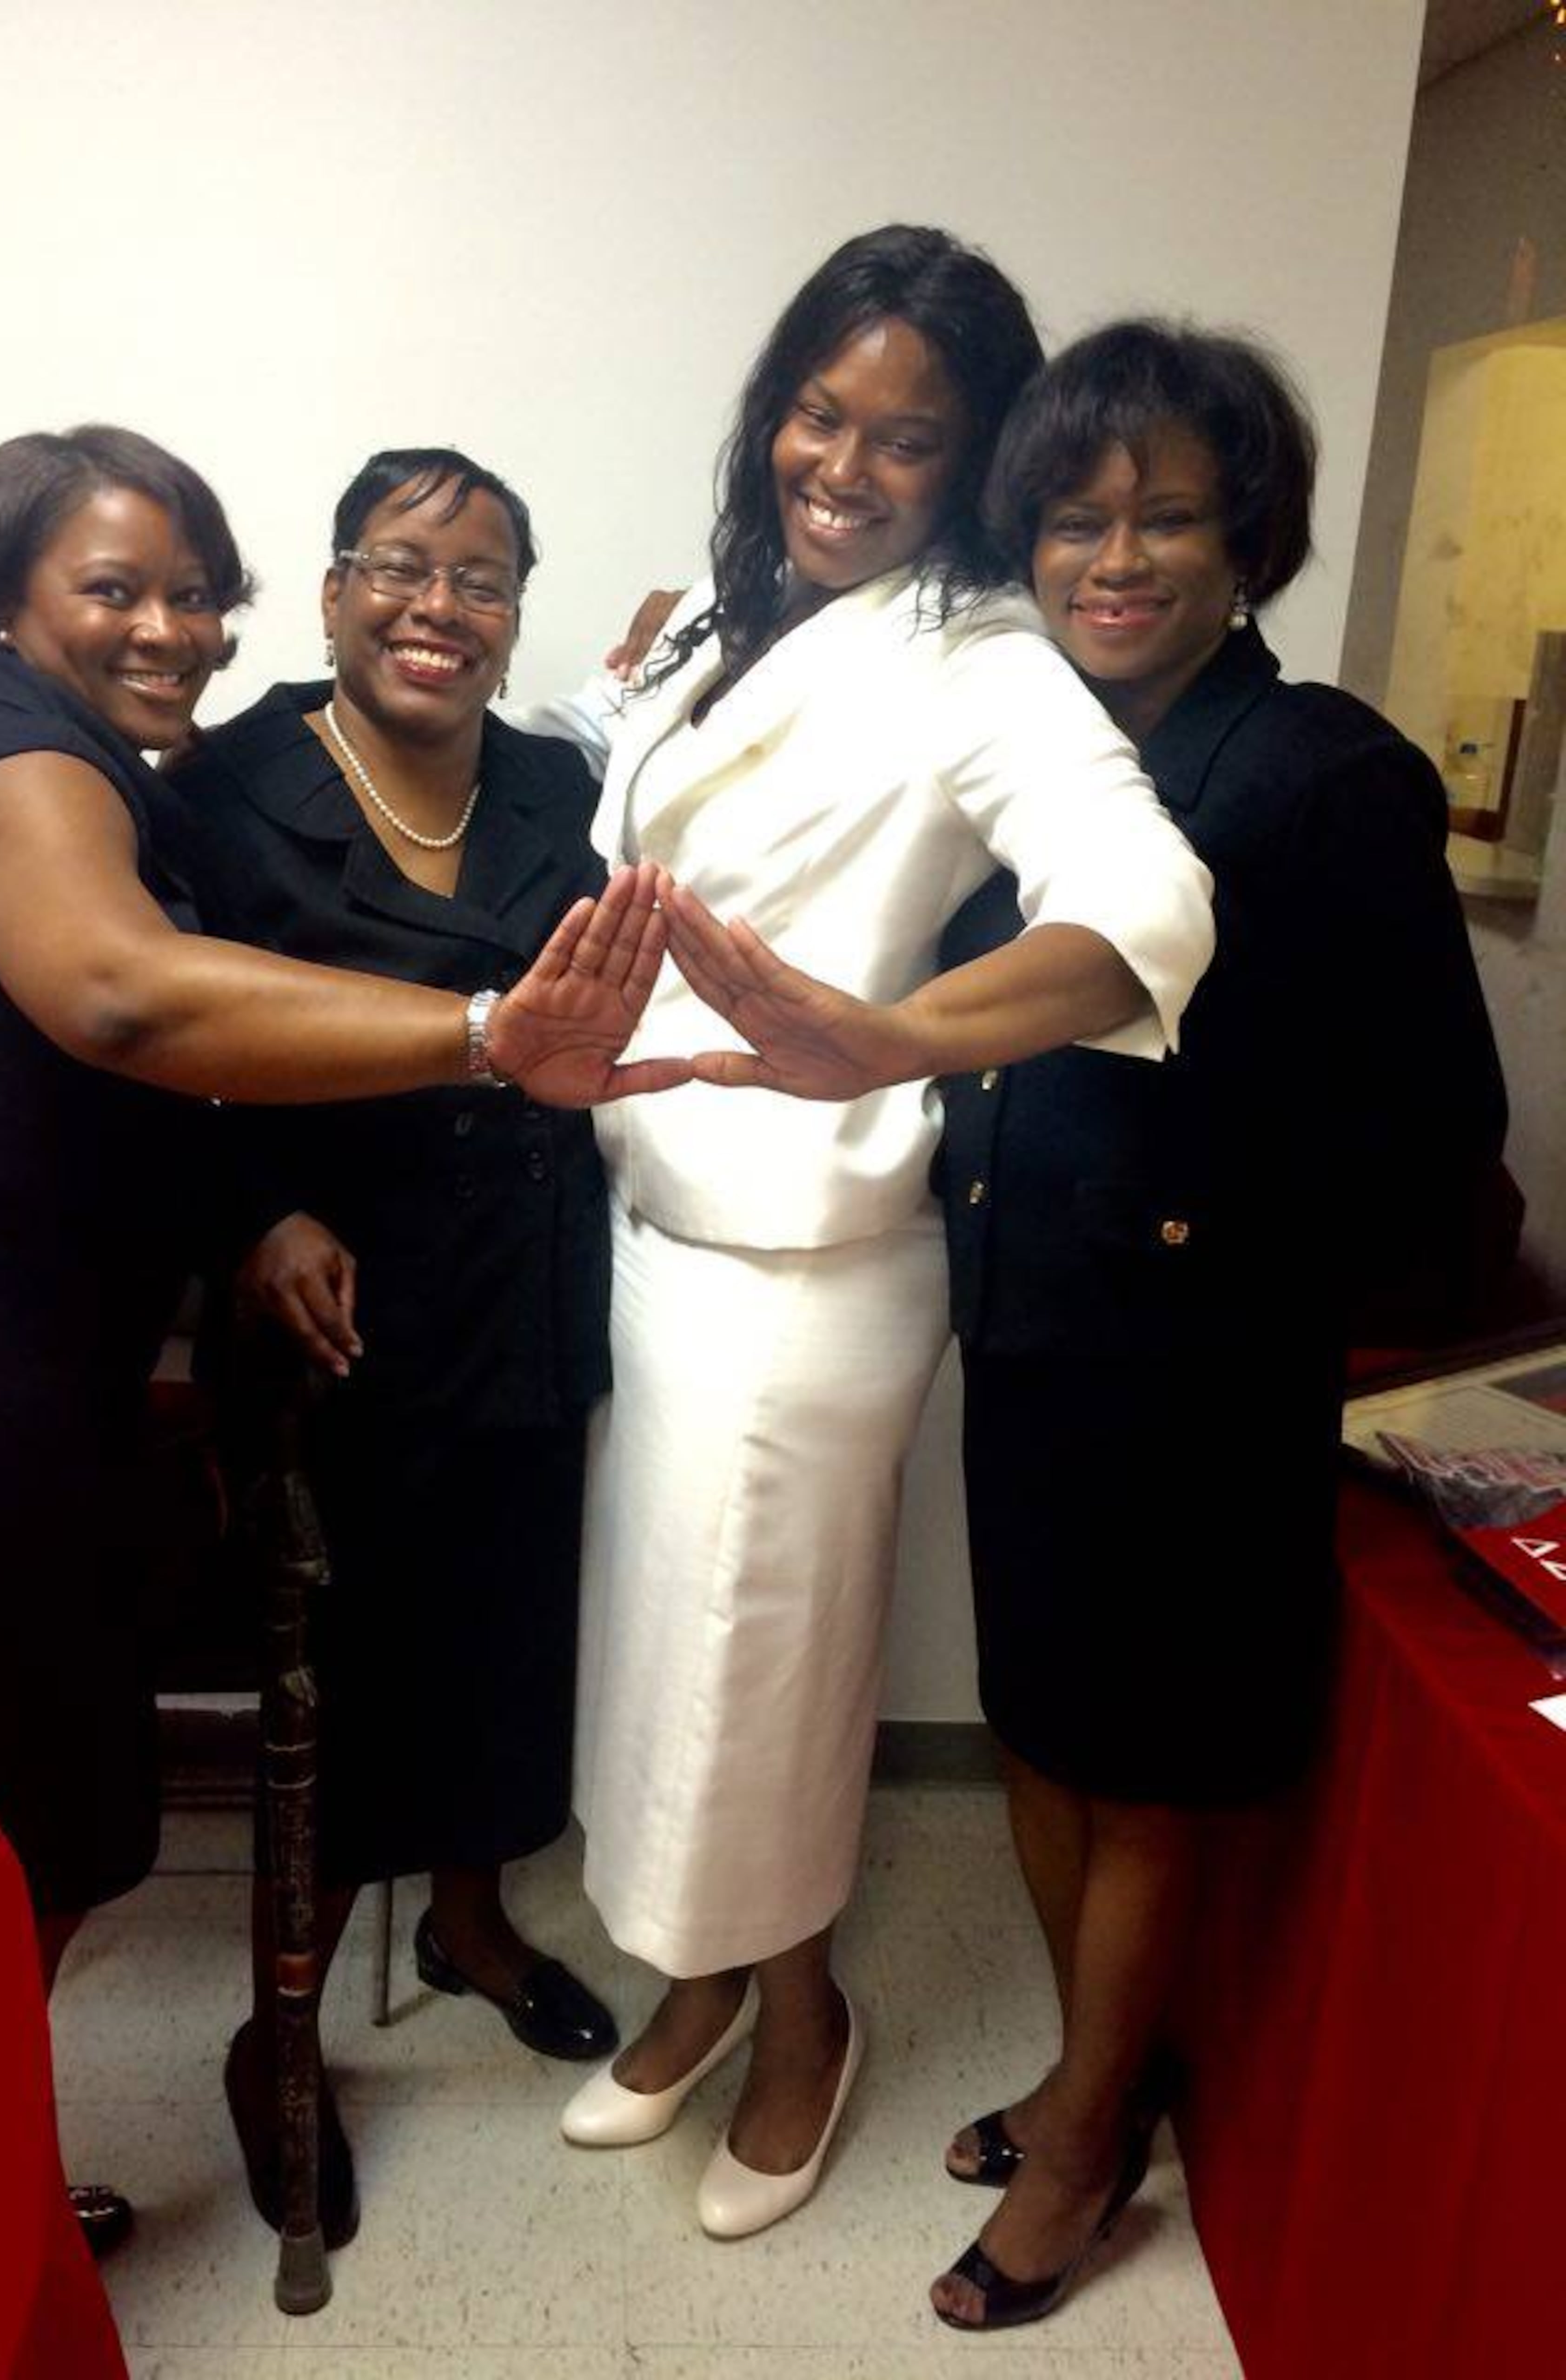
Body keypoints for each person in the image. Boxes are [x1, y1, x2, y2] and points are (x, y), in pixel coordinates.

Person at [0, 425, 683, 2247]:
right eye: (115, 587)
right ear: (0, 594)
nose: (171, 628)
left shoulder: (48, 744)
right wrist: (481, 1033)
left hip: (51, 1369)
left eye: (193, 590)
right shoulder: (28, 767)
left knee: (19, 1835)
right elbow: (124, 993)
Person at [547, 225, 1214, 2241]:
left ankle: (805, 2015)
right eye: (818, 414)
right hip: (657, 1234)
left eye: (904, 440)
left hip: (810, 1268)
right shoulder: (723, 625)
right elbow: (654, 802)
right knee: (663, 1657)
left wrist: (894, 1031)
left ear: (974, 460)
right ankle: (696, 1981)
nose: (840, 463)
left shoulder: (984, 660)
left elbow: (1145, 900)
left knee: (760, 1673)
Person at [924, 322, 1507, 2330]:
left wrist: (1222, 1248)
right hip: (1023, 1329)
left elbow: (1439, 1125)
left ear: (1246, 537)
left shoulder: (1323, 768)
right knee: (1037, 1727)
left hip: (1190, 1365)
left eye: (1169, 513)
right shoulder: (1026, 746)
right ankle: (1111, 2064)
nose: (1119, 554)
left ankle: (1089, 2145)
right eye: (1079, 516)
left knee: (1150, 1768)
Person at [151, 447, 620, 2250]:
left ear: (516, 614)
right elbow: (165, 1037)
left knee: (506, 1635)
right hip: (329, 1300)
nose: (443, 603)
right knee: (332, 1677)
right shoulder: (223, 785)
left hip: (523, 1274)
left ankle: (475, 1919)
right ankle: (279, 2028)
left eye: (485, 575)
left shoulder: (565, 781)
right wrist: (257, 1208)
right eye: (404, 566)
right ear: (337, 591)